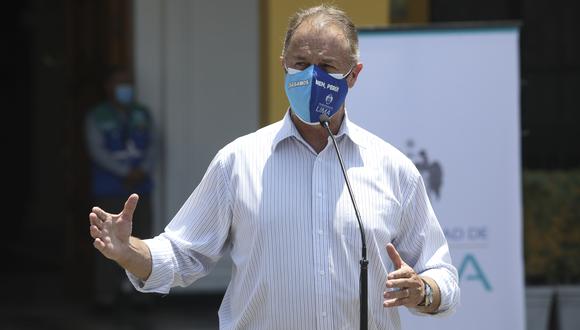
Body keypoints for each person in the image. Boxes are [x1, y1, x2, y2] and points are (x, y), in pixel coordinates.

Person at [88, 5, 459, 329]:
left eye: (328, 66)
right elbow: (184, 254)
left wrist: (424, 291)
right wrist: (129, 252)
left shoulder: (391, 168)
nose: (313, 77)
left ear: (354, 75)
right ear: (283, 67)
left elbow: (442, 274)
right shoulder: (239, 162)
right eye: (301, 64)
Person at [85, 66, 155, 306]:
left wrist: (140, 170)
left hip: (140, 189)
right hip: (110, 189)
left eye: (128, 82)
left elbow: (153, 146)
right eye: (119, 82)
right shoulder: (98, 116)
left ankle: (141, 297)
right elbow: (97, 150)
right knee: (106, 242)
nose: (125, 88)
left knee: (143, 240)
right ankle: (106, 297)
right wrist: (125, 172)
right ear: (108, 86)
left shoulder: (142, 114)